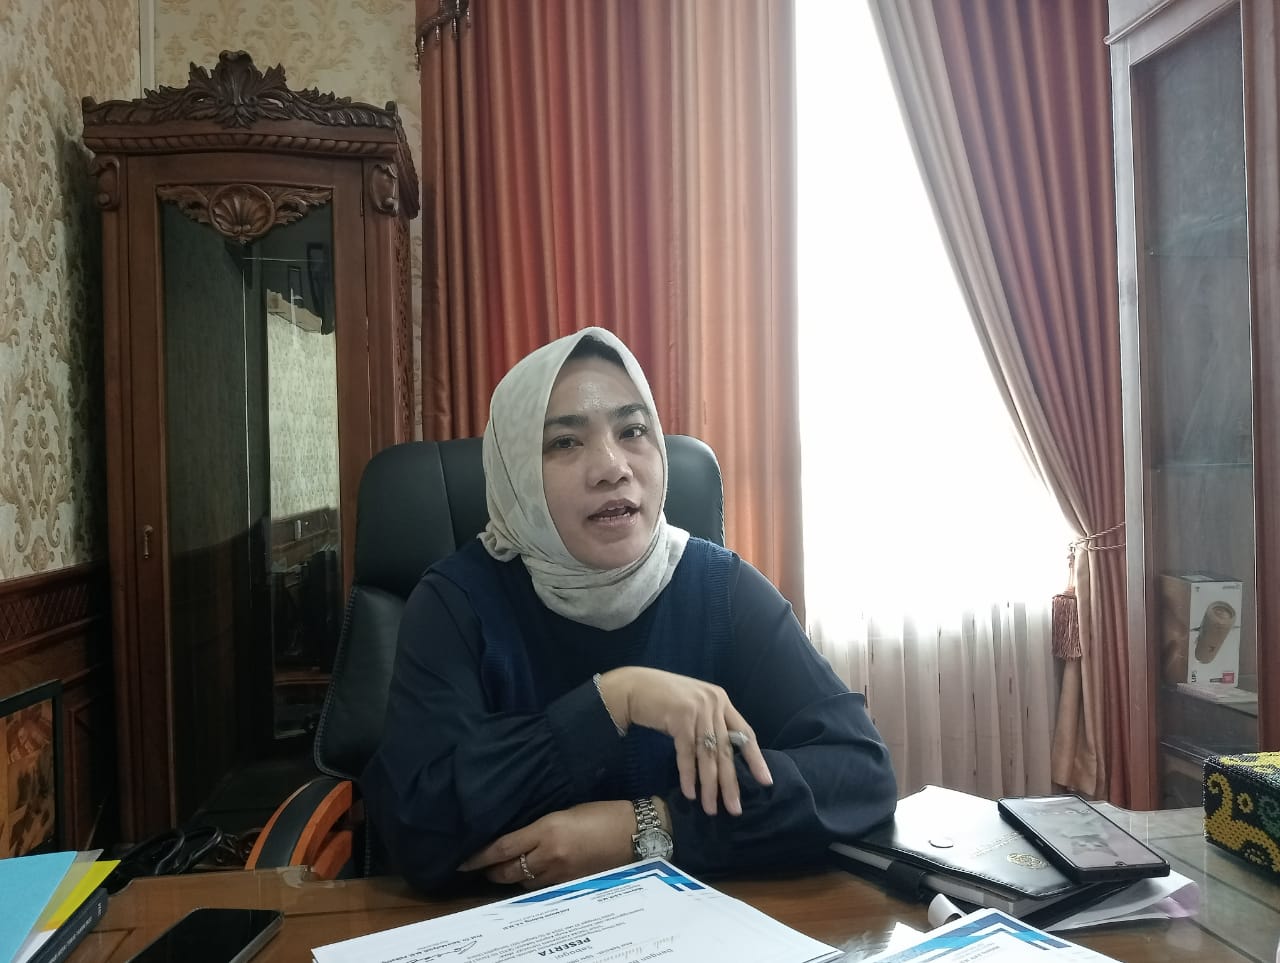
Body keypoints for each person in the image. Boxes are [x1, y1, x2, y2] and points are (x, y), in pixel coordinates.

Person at [360, 327, 896, 893]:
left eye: (632, 431)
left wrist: (647, 829)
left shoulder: (721, 587)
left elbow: (859, 773)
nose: (612, 467)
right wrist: (613, 700)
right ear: (516, 472)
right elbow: (417, 828)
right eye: (565, 443)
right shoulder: (456, 602)